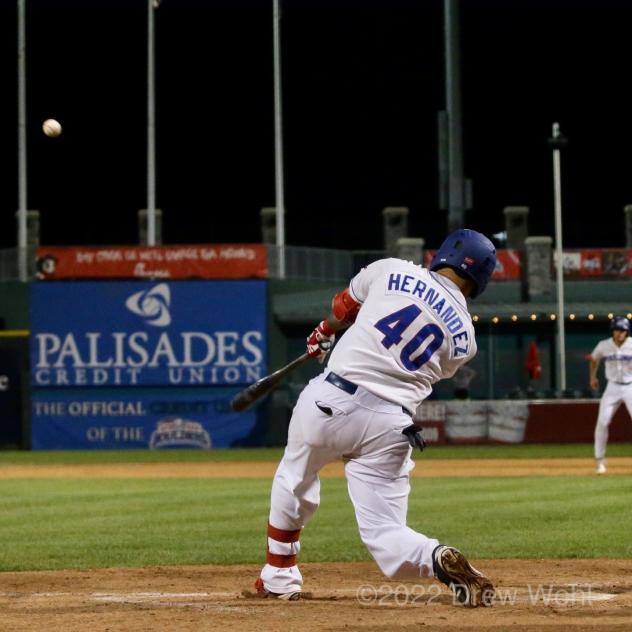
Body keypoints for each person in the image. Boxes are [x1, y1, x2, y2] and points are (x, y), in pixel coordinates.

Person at [254, 229, 497, 607]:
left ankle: (280, 576)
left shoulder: (393, 269)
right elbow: (406, 353)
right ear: (481, 277)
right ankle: (435, 555)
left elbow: (344, 307)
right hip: (392, 425)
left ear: (444, 254)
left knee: (295, 476)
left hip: (331, 400)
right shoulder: (466, 339)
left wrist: (323, 332)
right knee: (385, 532)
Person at [589, 316, 632, 474]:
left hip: (630, 387)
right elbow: (594, 359)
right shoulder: (604, 345)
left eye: (623, 330)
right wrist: (593, 377)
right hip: (612, 387)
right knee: (602, 422)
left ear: (627, 332)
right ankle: (599, 461)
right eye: (617, 330)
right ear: (612, 331)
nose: (620, 333)